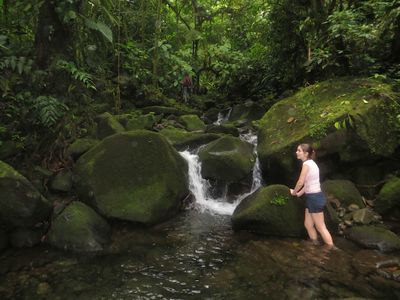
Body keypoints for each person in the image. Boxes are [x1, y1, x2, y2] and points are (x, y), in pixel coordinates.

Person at [290, 143, 334, 247]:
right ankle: (315, 243)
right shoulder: (311, 164)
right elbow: (307, 183)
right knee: (308, 224)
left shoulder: (306, 165)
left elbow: (300, 182)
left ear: (305, 153)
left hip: (314, 198)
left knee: (320, 227)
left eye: (299, 150)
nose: (296, 152)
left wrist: (294, 192)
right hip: (312, 197)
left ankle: (331, 248)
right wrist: (299, 194)